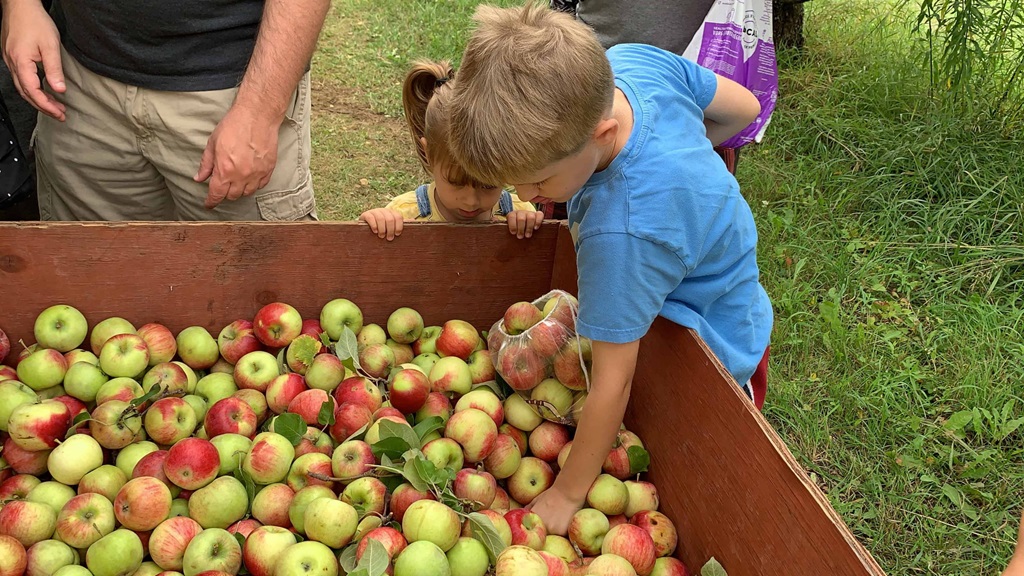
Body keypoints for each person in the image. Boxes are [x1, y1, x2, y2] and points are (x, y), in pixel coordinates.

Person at [446, 4, 773, 534]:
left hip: (715, 338)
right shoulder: (631, 64)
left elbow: (612, 386)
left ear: (599, 134)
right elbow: (744, 107)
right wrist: (686, 167)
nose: (526, 197)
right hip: (718, 276)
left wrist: (569, 492)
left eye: (538, 182)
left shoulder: (619, 233)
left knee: (705, 443)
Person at [0, 0, 328, 221]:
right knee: (95, 286)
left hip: (231, 92)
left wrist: (259, 111)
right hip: (80, 82)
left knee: (248, 293)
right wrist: (20, 6)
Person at [359, 61, 543, 241]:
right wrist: (375, 225)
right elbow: (364, 259)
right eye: (455, 182)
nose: (470, 201)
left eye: (488, 185)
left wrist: (530, 229)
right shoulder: (404, 213)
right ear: (428, 153)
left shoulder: (520, 211)